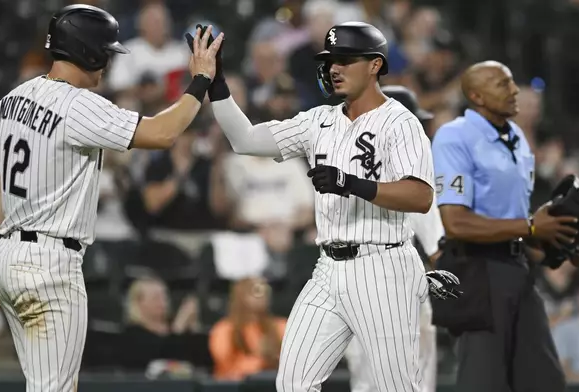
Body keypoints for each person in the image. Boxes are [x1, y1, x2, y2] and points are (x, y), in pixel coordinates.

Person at [187, 22, 460, 392]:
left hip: (384, 266)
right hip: (328, 269)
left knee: (397, 388)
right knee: (293, 383)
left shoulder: (401, 122)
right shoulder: (320, 120)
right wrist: (217, 85)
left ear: (375, 65)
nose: (335, 67)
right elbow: (245, 139)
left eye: (346, 59)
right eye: (332, 60)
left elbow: (419, 196)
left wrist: (351, 183)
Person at [0, 4, 223, 391]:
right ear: (87, 51)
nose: (108, 61)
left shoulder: (14, 98)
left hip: (9, 255)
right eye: (105, 52)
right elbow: (162, 133)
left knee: (48, 384)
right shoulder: (79, 105)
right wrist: (201, 80)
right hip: (50, 266)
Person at [431, 60, 579, 392]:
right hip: (475, 270)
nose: (513, 91)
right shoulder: (455, 137)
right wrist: (530, 227)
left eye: (512, 83)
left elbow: (520, 223)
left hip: (517, 267)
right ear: (476, 95)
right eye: (502, 84)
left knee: (544, 381)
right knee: (484, 382)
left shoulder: (517, 141)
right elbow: (455, 222)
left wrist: (562, 245)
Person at [344, 85, 443, 392]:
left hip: (347, 283)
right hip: (395, 285)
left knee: (365, 381)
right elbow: (438, 247)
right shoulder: (410, 176)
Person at [208, 277, 287, 380]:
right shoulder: (224, 330)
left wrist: (273, 358)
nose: (263, 295)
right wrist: (262, 360)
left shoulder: (281, 326)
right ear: (242, 295)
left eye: (267, 290)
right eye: (257, 290)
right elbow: (226, 364)